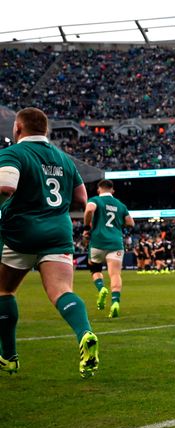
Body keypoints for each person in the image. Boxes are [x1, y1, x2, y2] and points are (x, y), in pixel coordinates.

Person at [0, 108, 99, 378]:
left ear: (18, 129)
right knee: (61, 290)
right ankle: (85, 332)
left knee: (4, 291)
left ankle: (8, 356)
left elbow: (6, 187)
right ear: (46, 130)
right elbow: (82, 197)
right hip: (58, 233)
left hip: (19, 234)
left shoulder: (14, 153)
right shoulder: (64, 159)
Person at [83, 179, 134, 318]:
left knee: (95, 269)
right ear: (113, 191)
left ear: (99, 190)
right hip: (115, 243)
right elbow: (131, 223)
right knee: (115, 274)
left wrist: (87, 227)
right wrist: (118, 225)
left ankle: (101, 288)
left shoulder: (96, 200)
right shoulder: (120, 205)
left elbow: (89, 210)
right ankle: (115, 302)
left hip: (98, 241)